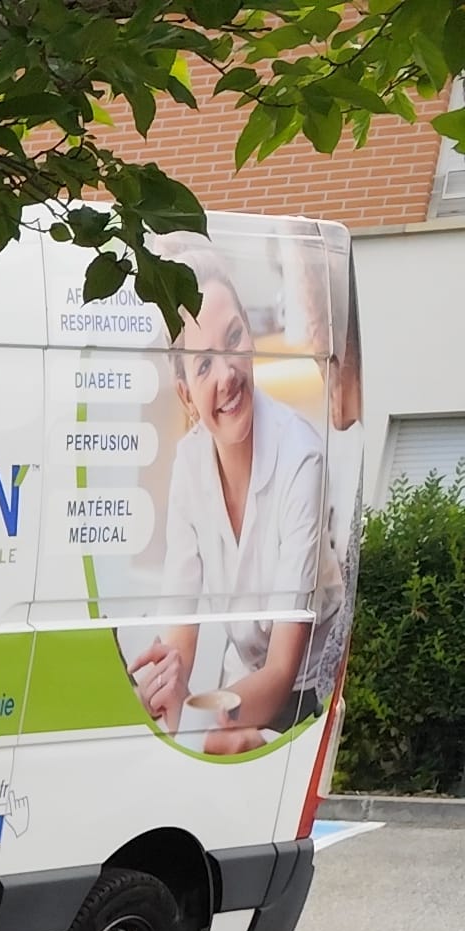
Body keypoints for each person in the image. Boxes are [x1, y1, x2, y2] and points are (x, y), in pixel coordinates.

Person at [130, 262, 334, 753]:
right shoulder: (190, 464)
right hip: (240, 681)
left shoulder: (300, 457)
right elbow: (179, 638)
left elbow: (284, 670)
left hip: (307, 689)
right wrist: (164, 691)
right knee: (218, 746)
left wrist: (207, 719)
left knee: (228, 746)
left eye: (234, 337)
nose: (228, 375)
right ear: (185, 394)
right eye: (203, 365)